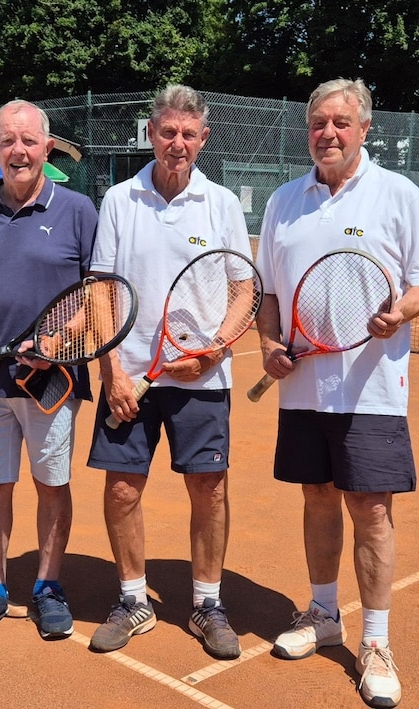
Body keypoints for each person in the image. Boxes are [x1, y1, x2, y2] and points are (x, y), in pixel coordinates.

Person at [255, 78, 419, 708]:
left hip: (373, 389)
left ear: (364, 129)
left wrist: (399, 314)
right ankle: (323, 612)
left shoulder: (399, 194)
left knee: (371, 511)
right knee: (317, 497)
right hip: (303, 388)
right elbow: (270, 294)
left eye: (340, 122)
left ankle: (377, 640)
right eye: (318, 124)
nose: (327, 134)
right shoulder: (284, 201)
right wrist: (269, 343)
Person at [86, 85, 250, 660]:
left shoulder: (222, 204)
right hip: (129, 376)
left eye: (188, 134)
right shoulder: (118, 200)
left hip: (202, 379)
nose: (177, 144)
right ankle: (133, 600)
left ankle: (207, 602)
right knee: (123, 487)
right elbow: (101, 288)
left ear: (203, 139)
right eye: (167, 132)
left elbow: (243, 289)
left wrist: (214, 350)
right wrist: (111, 370)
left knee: (209, 488)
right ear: (150, 134)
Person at [0, 100, 98, 642]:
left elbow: (96, 294)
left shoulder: (79, 210)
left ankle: (47, 586)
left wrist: (58, 341)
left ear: (48, 147)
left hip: (52, 384)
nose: (18, 151)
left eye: (29, 141)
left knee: (52, 484)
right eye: (7, 140)